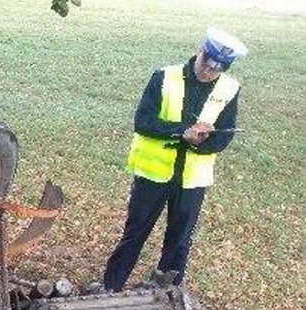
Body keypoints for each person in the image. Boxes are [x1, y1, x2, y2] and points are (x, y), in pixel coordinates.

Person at [102, 27, 248, 292]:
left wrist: (202, 144)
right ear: (200, 51)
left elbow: (225, 135)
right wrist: (183, 132)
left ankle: (166, 294)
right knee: (134, 234)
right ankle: (110, 287)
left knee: (179, 242)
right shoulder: (164, 77)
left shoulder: (230, 88)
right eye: (206, 63)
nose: (208, 72)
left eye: (216, 69)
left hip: (192, 179)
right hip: (153, 173)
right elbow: (143, 121)